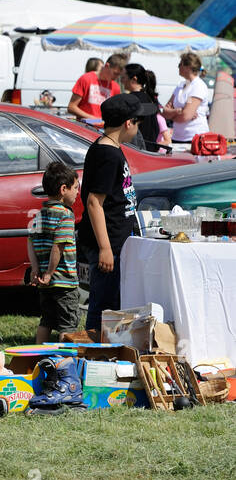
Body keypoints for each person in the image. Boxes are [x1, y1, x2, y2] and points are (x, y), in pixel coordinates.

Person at [77, 92, 152, 337]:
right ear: (128, 123)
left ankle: (104, 346)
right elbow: (93, 203)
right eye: (138, 123)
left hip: (116, 239)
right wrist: (105, 248)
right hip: (108, 242)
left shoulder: (110, 149)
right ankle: (93, 351)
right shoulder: (108, 155)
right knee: (103, 303)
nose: (139, 128)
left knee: (111, 300)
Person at [29, 162, 82, 344]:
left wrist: (36, 269)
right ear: (63, 189)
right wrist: (51, 273)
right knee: (68, 326)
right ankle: (66, 364)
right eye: (76, 188)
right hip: (64, 282)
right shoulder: (66, 215)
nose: (78, 192)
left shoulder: (39, 214)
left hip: (45, 283)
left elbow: (30, 242)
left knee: (47, 321)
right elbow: (58, 247)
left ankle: (36, 357)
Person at [162, 51, 210, 145]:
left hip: (194, 138)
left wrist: (172, 114)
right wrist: (178, 111)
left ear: (188, 67)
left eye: (180, 64)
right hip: (177, 137)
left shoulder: (198, 86)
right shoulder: (181, 85)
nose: (178, 67)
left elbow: (185, 116)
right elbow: (164, 111)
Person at [123, 63, 170, 151]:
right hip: (149, 150)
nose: (122, 81)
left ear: (134, 79)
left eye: (123, 77)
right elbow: (154, 128)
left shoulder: (131, 100)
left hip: (136, 150)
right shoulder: (149, 99)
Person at [67, 52, 126, 123]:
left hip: (104, 130)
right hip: (83, 127)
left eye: (119, 75)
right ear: (107, 66)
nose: (116, 77)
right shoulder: (86, 78)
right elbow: (71, 107)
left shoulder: (116, 87)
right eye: (115, 73)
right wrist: (95, 119)